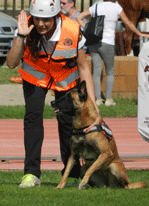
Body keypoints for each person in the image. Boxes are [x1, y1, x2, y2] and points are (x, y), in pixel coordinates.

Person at [7, 0, 100, 188]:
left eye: (46, 19)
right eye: (38, 18)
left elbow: (83, 67)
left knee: (67, 124)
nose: (41, 24)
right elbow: (11, 63)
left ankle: (72, 174)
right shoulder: (27, 27)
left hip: (65, 77)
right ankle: (31, 174)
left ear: (56, 16)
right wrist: (20, 36)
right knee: (32, 118)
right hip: (35, 76)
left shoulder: (73, 29)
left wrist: (93, 101)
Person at [76, 0, 149, 106]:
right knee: (110, 71)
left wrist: (87, 29)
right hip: (108, 43)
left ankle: (97, 99)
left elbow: (78, 17)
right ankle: (108, 100)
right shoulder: (116, 7)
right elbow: (128, 23)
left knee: (96, 71)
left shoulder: (96, 6)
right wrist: (140, 33)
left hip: (94, 42)